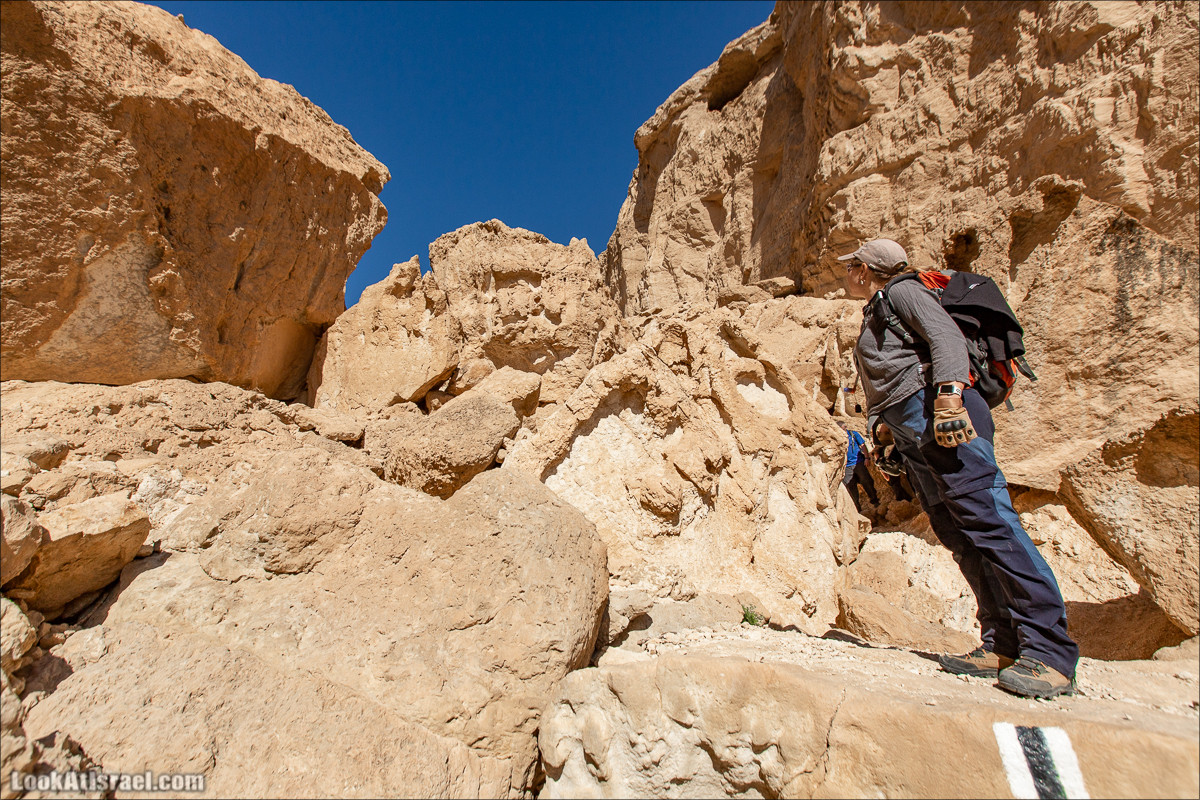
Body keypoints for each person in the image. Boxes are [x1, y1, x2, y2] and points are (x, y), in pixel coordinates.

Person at [840, 238, 1079, 699]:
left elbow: (946, 337)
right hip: (914, 429)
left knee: (990, 523)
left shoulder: (904, 291)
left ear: (866, 270)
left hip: (943, 416)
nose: (846, 274)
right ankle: (1002, 642)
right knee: (958, 531)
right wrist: (886, 434)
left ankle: (1050, 651)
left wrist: (950, 394)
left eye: (851, 267)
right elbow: (891, 378)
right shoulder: (877, 309)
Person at [839, 423, 878, 512]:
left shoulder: (853, 434)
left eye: (845, 427)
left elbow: (863, 445)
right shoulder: (838, 437)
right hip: (846, 466)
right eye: (843, 428)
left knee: (867, 481)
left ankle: (875, 500)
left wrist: (867, 458)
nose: (845, 429)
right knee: (851, 487)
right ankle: (857, 509)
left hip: (859, 462)